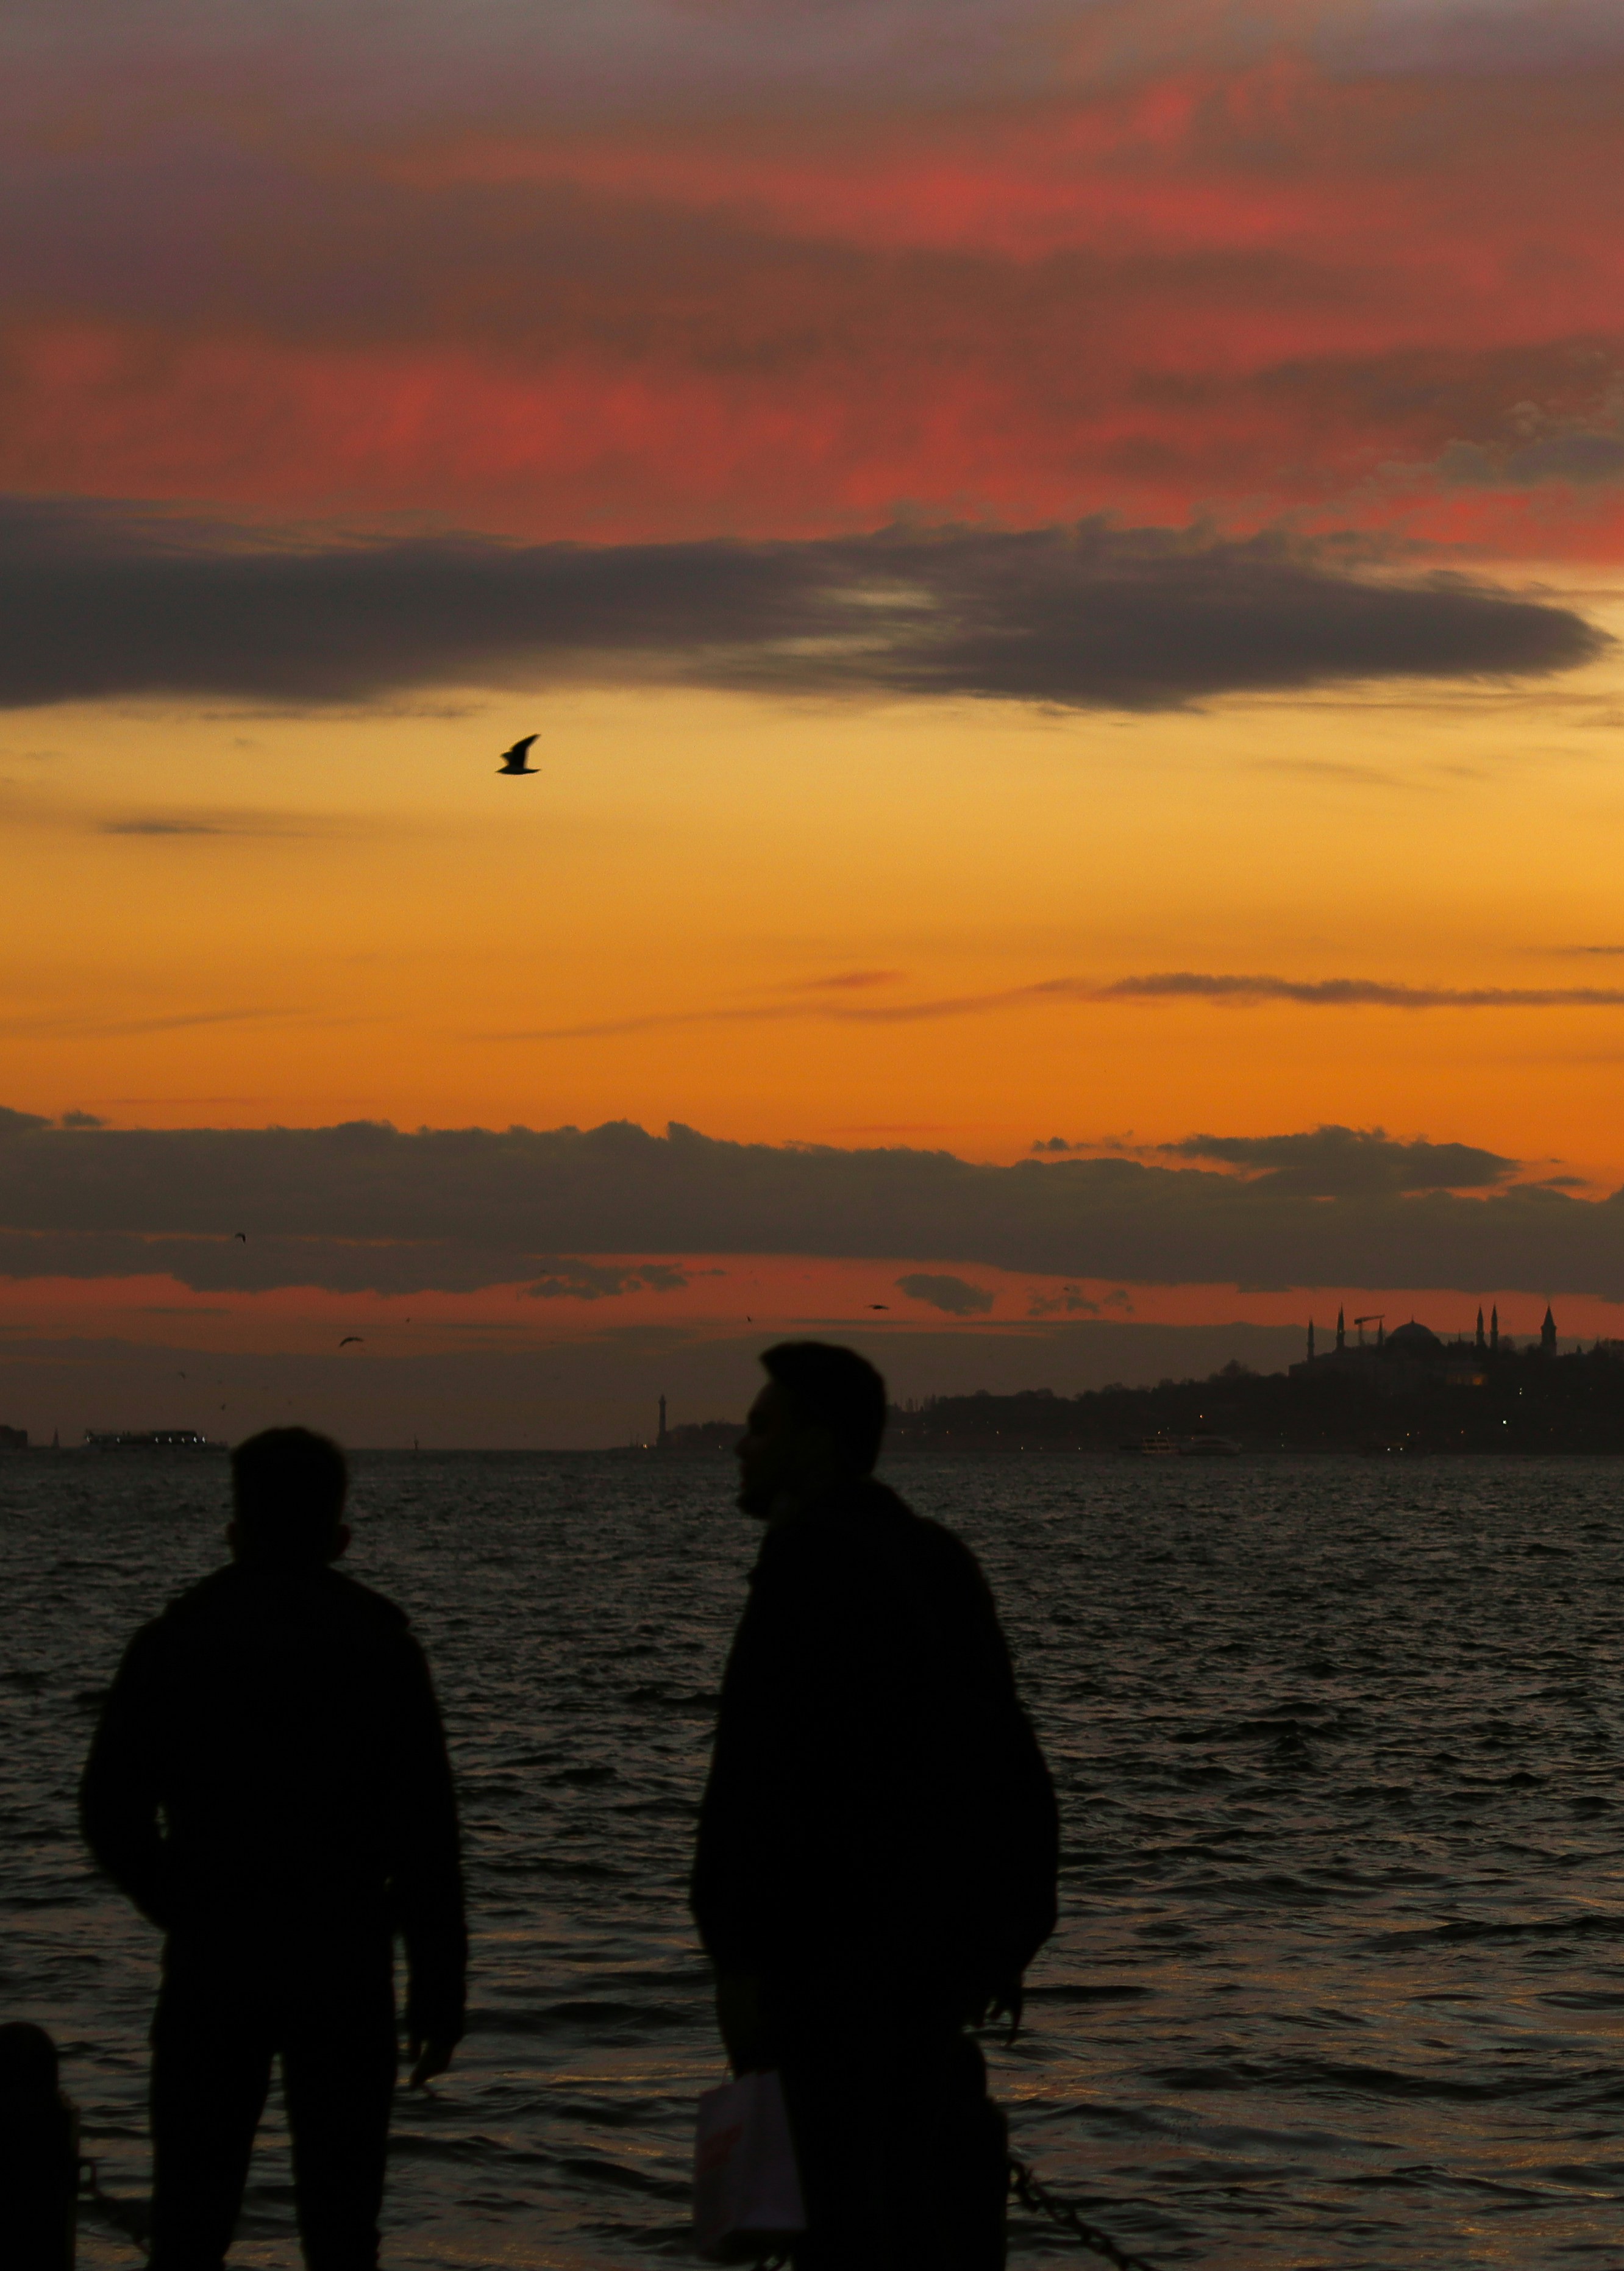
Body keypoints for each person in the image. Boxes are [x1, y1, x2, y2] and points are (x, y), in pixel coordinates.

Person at [691, 1343, 1059, 2270]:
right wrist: (1010, 1935)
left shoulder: (805, 1564)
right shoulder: (936, 1560)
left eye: (762, 1426)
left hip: (829, 1983)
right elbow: (1010, 1758)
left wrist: (737, 1957)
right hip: (932, 1979)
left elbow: (758, 1778)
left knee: (843, 2232)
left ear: (816, 1442)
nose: (741, 1445)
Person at [81, 1428, 466, 2271]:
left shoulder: (175, 1641)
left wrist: (181, 1901)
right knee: (343, 2226)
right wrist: (439, 1993)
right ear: (339, 1536)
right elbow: (429, 1836)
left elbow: (109, 1811)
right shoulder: (382, 1648)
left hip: (214, 1956)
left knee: (190, 2219)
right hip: (345, 1957)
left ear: (235, 1530)